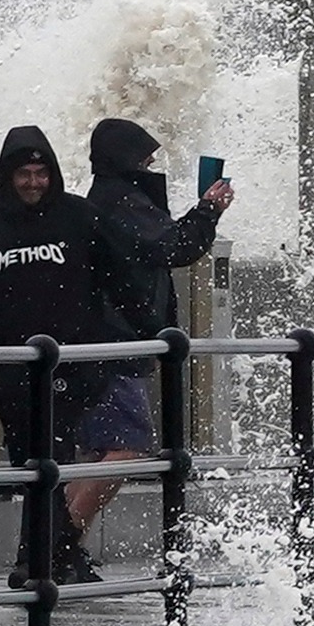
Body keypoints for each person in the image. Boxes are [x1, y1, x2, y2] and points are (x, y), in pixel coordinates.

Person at [0, 125, 163, 587]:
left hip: (71, 368)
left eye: (40, 172)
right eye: (24, 174)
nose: (33, 183)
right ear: (7, 176)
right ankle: (56, 557)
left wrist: (145, 331)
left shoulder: (79, 218)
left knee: (50, 462)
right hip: (13, 372)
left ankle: (40, 562)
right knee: (29, 467)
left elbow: (120, 279)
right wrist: (2, 347)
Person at [79, 117, 234, 538]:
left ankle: (57, 543)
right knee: (124, 447)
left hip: (108, 340)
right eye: (144, 156)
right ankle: (58, 545)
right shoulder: (120, 202)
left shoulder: (109, 198)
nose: (150, 162)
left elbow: (162, 240)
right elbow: (173, 246)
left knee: (101, 451)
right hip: (118, 342)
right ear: (124, 157)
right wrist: (208, 211)